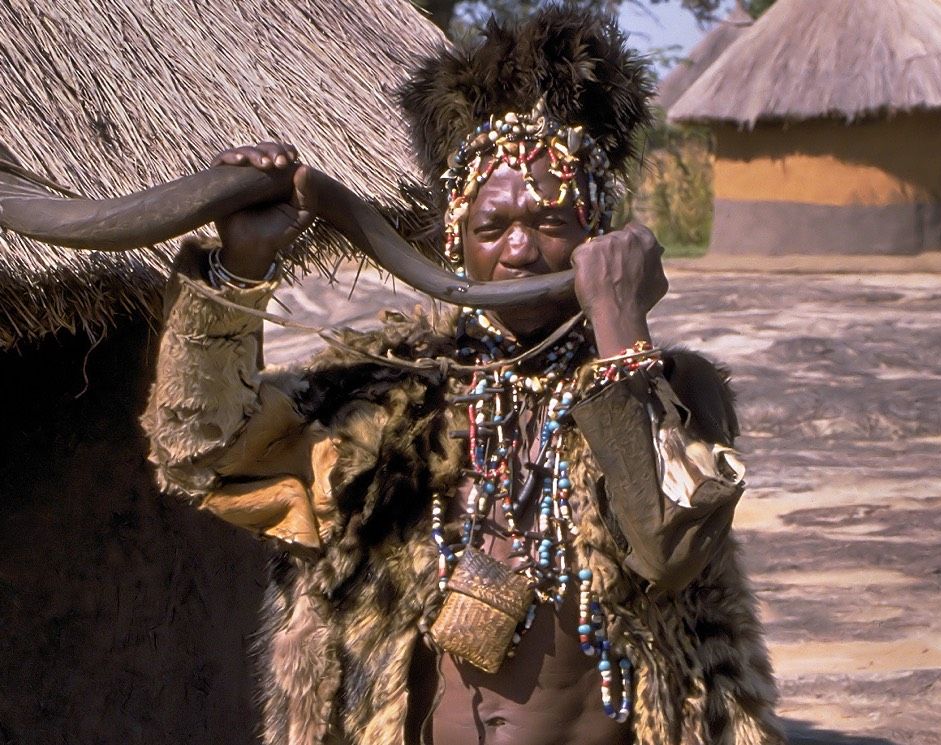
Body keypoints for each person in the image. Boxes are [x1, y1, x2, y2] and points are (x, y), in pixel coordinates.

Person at [142, 8, 785, 745]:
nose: (520, 248)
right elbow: (203, 453)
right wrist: (240, 267)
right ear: (457, 245)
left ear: (596, 237)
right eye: (492, 227)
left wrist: (618, 328)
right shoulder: (390, 394)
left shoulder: (677, 392)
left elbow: (666, 549)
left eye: (550, 222)